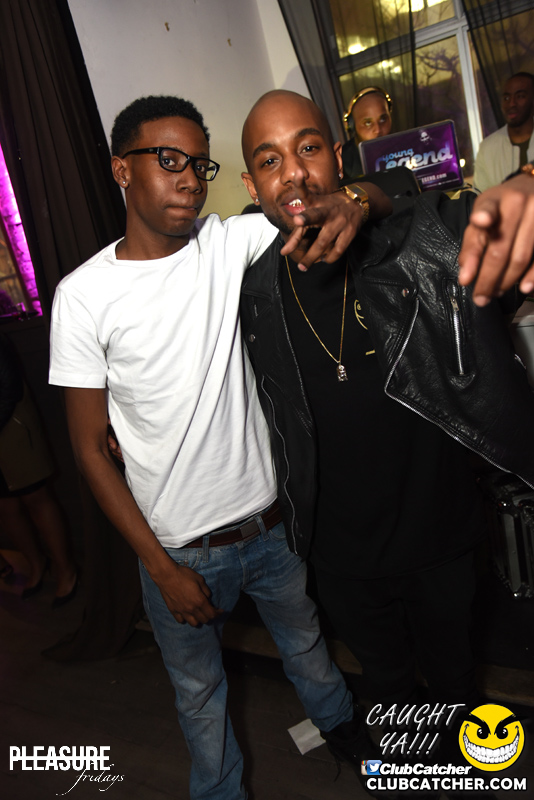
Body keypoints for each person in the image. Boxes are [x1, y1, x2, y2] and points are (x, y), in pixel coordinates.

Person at [48, 95, 392, 800]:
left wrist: (357, 197)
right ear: (121, 169)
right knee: (200, 694)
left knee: (307, 646)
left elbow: (343, 202)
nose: (189, 178)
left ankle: (341, 728)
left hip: (271, 526)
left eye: (199, 164)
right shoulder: (83, 296)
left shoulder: (229, 242)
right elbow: (88, 449)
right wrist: (160, 570)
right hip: (179, 551)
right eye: (167, 160)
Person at [239, 90, 534, 750]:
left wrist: (527, 183)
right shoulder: (254, 291)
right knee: (390, 689)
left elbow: (439, 202)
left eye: (308, 148)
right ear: (251, 185)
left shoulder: (416, 241)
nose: (293, 172)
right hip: (342, 555)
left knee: (456, 683)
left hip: (442, 534)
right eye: (270, 160)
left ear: (339, 156)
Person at [0, 333, 77, 604]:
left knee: (37, 499)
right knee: (6, 508)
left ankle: (66, 570)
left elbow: (9, 389)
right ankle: (36, 564)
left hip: (13, 430)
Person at [474, 72, 534, 192]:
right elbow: (481, 195)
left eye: (520, 96)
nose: (511, 104)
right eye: (506, 98)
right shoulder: (487, 149)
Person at [341, 86, 393, 181]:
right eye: (368, 123)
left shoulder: (406, 148)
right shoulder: (342, 166)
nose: (378, 129)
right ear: (352, 125)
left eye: (383, 119)